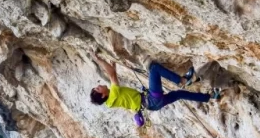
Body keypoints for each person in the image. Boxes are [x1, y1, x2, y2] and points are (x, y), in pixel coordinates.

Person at [90, 52, 219, 124]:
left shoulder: (110, 101)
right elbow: (111, 75)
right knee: (154, 69)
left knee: (179, 95)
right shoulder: (112, 95)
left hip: (153, 105)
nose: (99, 86)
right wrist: (98, 59)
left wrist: (114, 67)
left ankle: (210, 96)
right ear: (102, 95)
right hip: (151, 99)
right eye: (98, 89)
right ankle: (182, 80)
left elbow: (114, 78)